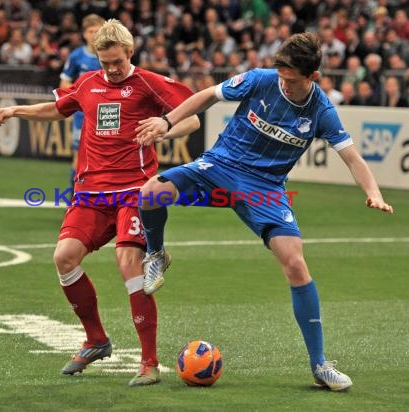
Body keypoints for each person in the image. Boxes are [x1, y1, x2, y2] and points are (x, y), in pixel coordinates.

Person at [135, 32, 394, 392]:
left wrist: (373, 192)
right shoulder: (260, 80)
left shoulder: (322, 111)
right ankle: (156, 254)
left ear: (313, 77)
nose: (283, 85)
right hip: (221, 166)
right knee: (150, 194)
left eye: (291, 80)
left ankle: (320, 364)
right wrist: (166, 121)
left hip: (266, 189)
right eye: (281, 77)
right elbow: (208, 96)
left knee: (296, 263)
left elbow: (352, 157)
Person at [0, 19, 199, 387]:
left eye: (117, 62)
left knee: (128, 262)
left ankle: (149, 363)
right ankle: (96, 340)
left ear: (130, 53)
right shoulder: (88, 82)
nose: (112, 70)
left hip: (134, 191)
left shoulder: (149, 82)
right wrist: (14, 111)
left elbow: (193, 119)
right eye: (105, 63)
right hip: (90, 193)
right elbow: (59, 109)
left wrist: (166, 126)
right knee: (63, 257)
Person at [59, 14, 105, 195]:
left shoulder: (110, 54)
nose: (94, 35)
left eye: (97, 31)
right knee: (79, 156)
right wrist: (78, 99)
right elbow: (64, 84)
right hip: (83, 116)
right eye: (91, 31)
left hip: (107, 113)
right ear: (84, 34)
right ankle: (74, 196)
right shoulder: (77, 56)